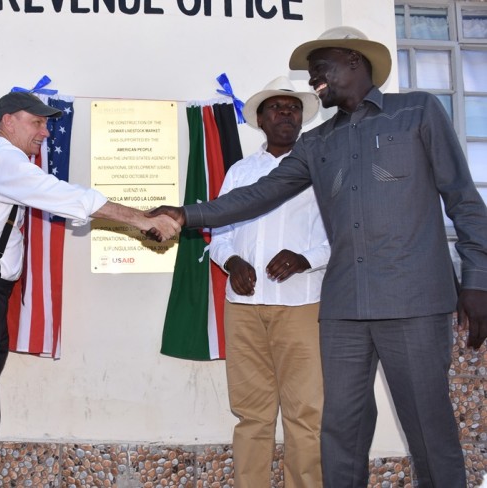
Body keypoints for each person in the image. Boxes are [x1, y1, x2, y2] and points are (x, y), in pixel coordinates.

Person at [149, 26, 487, 488]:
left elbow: (464, 200)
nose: (312, 81)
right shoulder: (317, 142)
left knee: (427, 426)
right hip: (343, 308)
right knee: (339, 430)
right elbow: (259, 194)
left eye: (318, 69)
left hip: (413, 300)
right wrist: (185, 214)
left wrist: (478, 278)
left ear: (353, 60)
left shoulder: (417, 111)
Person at [0, 91, 180, 487]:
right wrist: (141, 218)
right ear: (8, 121)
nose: (45, 130)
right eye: (37, 121)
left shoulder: (8, 165)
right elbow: (66, 197)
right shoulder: (2, 161)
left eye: (47, 123)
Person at [210, 76, 328, 487]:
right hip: (243, 310)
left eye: (293, 107)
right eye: (276, 107)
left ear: (301, 118)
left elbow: (344, 234)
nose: (286, 113)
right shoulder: (241, 171)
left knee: (305, 415)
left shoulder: (321, 168)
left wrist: (305, 258)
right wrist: (232, 260)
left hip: (302, 306)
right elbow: (219, 232)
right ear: (260, 118)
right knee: (251, 415)